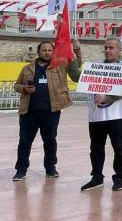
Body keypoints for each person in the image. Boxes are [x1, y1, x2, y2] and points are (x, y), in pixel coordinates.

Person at [13, 39, 82, 181]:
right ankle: (21, 170)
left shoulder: (60, 66)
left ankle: (51, 169)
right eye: (44, 50)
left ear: (53, 52)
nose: (47, 52)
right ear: (38, 52)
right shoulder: (28, 68)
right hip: (29, 112)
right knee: (25, 141)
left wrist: (76, 52)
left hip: (51, 111)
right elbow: (16, 85)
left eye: (50, 50)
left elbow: (76, 74)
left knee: (50, 141)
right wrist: (24, 88)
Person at [81, 37, 122, 192]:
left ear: (120, 49)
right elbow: (78, 78)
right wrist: (76, 54)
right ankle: (96, 177)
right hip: (96, 116)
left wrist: (107, 97)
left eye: (111, 48)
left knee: (119, 148)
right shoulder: (96, 67)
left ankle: (119, 178)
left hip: (116, 116)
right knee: (96, 148)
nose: (107, 50)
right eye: (105, 47)